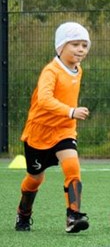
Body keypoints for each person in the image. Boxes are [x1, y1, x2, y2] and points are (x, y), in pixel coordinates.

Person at [15, 22, 92, 234]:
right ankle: (24, 211)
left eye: (84, 45)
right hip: (39, 132)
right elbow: (44, 100)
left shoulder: (78, 69)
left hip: (64, 131)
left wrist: (70, 116)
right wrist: (71, 111)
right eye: (75, 44)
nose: (80, 49)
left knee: (72, 167)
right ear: (61, 47)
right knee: (35, 178)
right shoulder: (51, 71)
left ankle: (73, 216)